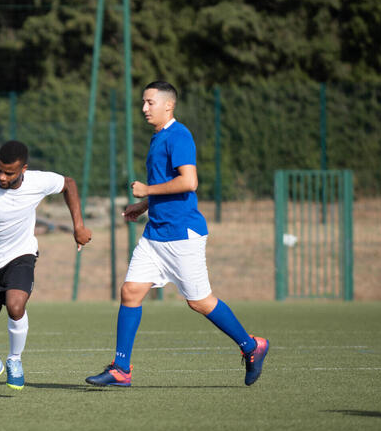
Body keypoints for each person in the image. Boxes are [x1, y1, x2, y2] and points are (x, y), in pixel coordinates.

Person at [86, 81, 269, 388]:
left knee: (199, 302)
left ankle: (252, 347)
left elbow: (189, 182)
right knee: (130, 292)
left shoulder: (179, 135)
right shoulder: (159, 138)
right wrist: (143, 204)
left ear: (168, 105)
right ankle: (121, 368)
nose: (144, 108)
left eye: (150, 102)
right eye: (143, 103)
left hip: (182, 235)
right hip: (155, 234)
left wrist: (146, 190)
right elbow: (167, 183)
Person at [0, 140, 92, 394]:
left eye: (9, 173)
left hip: (21, 253)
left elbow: (68, 184)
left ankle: (14, 359)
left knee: (16, 307)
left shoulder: (38, 181)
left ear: (23, 169)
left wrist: (78, 226)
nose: (2, 177)